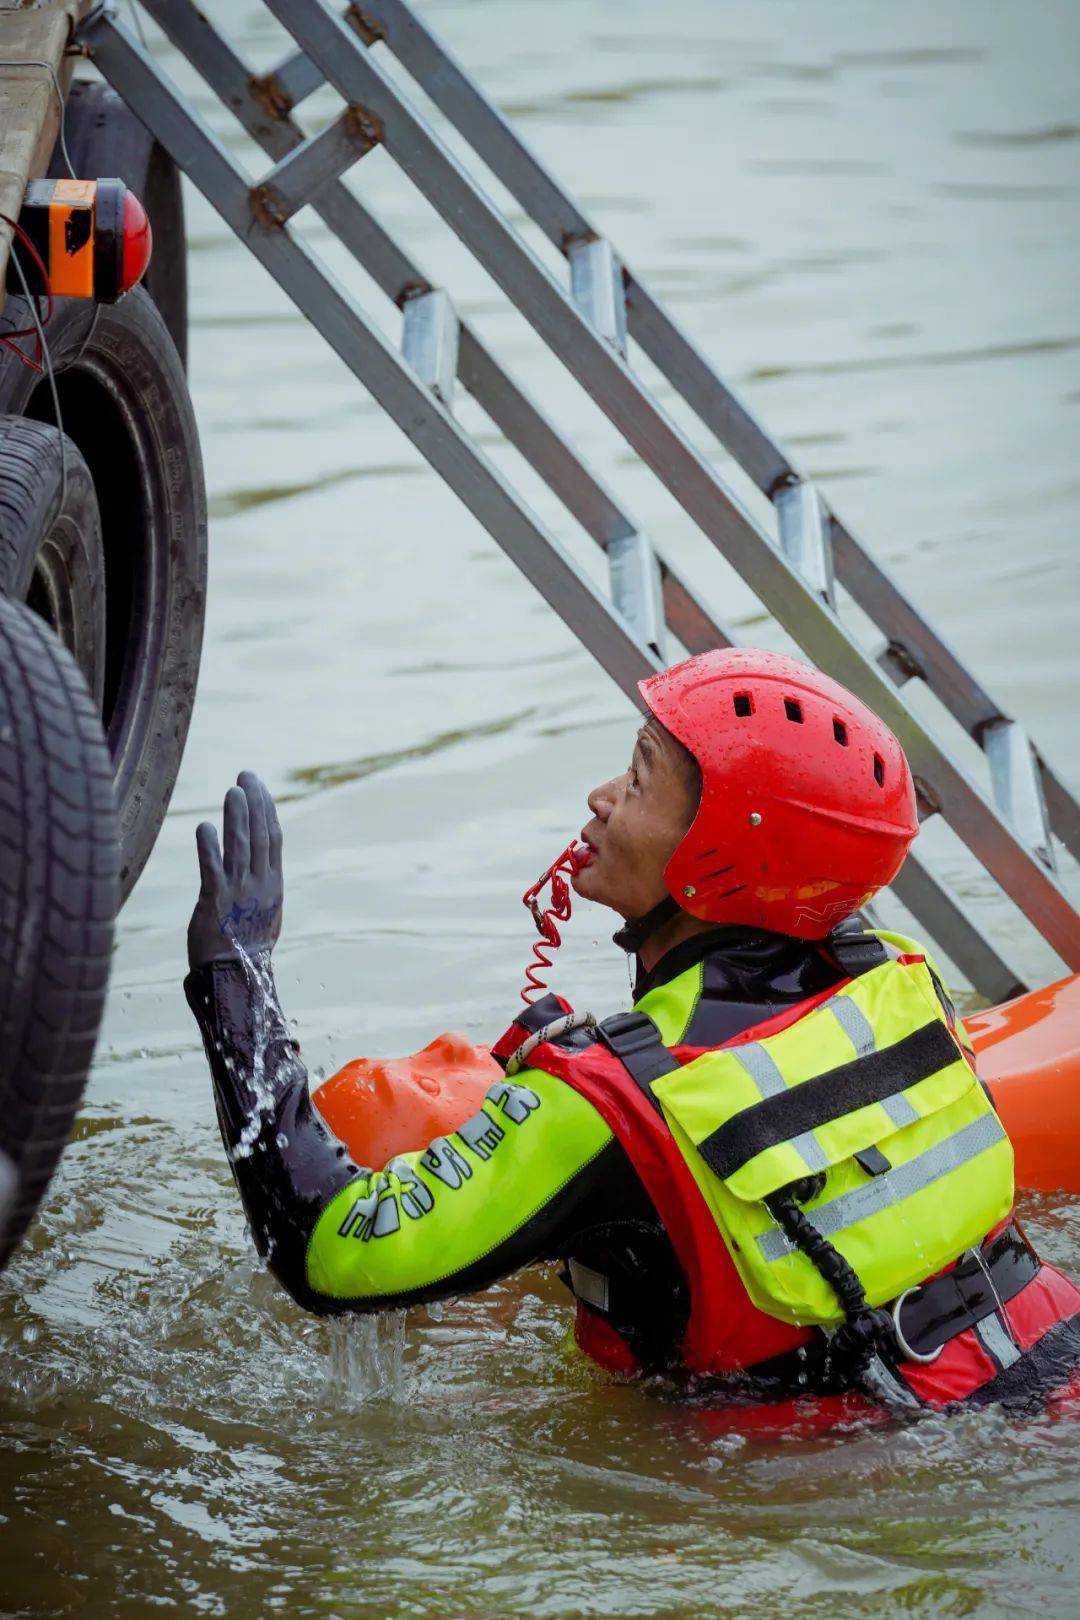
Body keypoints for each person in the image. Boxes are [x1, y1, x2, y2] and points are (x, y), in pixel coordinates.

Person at [185, 648, 1080, 1418]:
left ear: (723, 852)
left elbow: (328, 1254)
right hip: (1047, 1360)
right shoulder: (888, 975)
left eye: (641, 775)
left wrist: (237, 979)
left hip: (875, 1458)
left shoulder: (606, 1101)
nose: (603, 796)